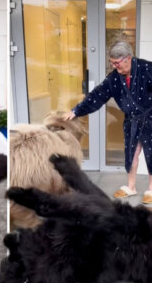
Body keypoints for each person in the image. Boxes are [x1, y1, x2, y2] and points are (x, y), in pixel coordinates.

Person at [64, 41, 152, 203]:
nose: (115, 67)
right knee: (131, 154)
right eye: (112, 63)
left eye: (117, 63)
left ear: (128, 58)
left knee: (151, 153)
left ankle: (151, 190)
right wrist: (76, 110)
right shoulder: (114, 78)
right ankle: (131, 187)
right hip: (131, 120)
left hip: (150, 118)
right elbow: (98, 94)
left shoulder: (147, 69)